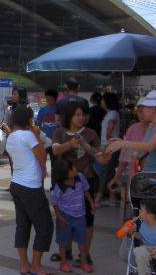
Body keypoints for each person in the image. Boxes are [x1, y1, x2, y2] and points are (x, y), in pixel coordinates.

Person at [51, 101, 105, 266]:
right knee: (65, 218)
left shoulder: (91, 134)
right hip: (63, 182)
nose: (81, 118)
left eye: (83, 115)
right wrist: (70, 144)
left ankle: (85, 254)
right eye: (77, 115)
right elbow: (55, 150)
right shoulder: (60, 132)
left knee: (87, 219)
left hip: (85, 180)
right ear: (69, 116)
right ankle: (65, 252)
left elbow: (100, 157)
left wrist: (101, 154)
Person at [6, 104, 53, 275]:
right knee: (45, 226)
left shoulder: (11, 136)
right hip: (31, 187)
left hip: (16, 184)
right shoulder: (28, 136)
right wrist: (36, 135)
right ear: (28, 120)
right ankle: (36, 265)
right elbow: (43, 155)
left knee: (23, 225)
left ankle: (24, 265)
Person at [51, 159, 96, 273]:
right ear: (64, 175)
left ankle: (84, 262)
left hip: (80, 215)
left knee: (82, 240)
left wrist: (91, 202)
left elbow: (85, 190)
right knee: (63, 240)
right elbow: (55, 202)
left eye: (73, 167)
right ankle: (64, 262)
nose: (75, 169)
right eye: (71, 169)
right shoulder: (59, 187)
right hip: (65, 217)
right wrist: (59, 216)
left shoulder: (80, 177)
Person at [108, 100, 150, 218]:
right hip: (135, 177)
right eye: (139, 111)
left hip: (153, 177)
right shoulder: (133, 129)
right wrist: (116, 177)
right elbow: (124, 158)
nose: (141, 114)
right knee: (137, 212)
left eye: (144, 110)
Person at [106, 90, 156, 173]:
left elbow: (149, 146)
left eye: (143, 108)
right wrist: (123, 143)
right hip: (149, 175)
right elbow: (143, 150)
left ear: (153, 109)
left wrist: (123, 143)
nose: (141, 113)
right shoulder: (152, 126)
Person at [133, 199, 156, 275]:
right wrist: (133, 232)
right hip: (147, 248)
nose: (139, 212)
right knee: (139, 251)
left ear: (151, 215)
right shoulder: (143, 224)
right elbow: (141, 236)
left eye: (141, 210)